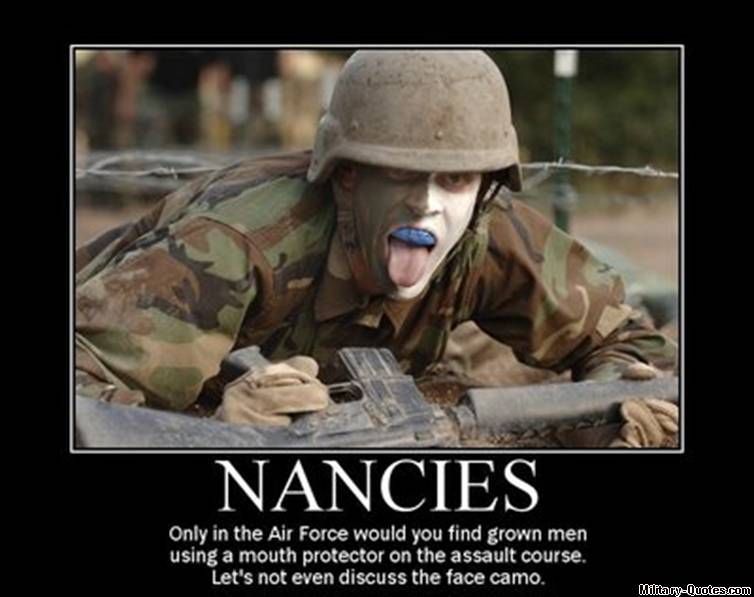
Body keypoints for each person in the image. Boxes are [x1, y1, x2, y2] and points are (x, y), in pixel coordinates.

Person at [75, 50, 678, 446]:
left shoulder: (486, 233)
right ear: (346, 176)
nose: (427, 204)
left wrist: (605, 411)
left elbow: (628, 343)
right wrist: (217, 431)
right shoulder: (233, 247)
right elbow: (82, 394)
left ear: (485, 187)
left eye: (455, 180)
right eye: (399, 174)